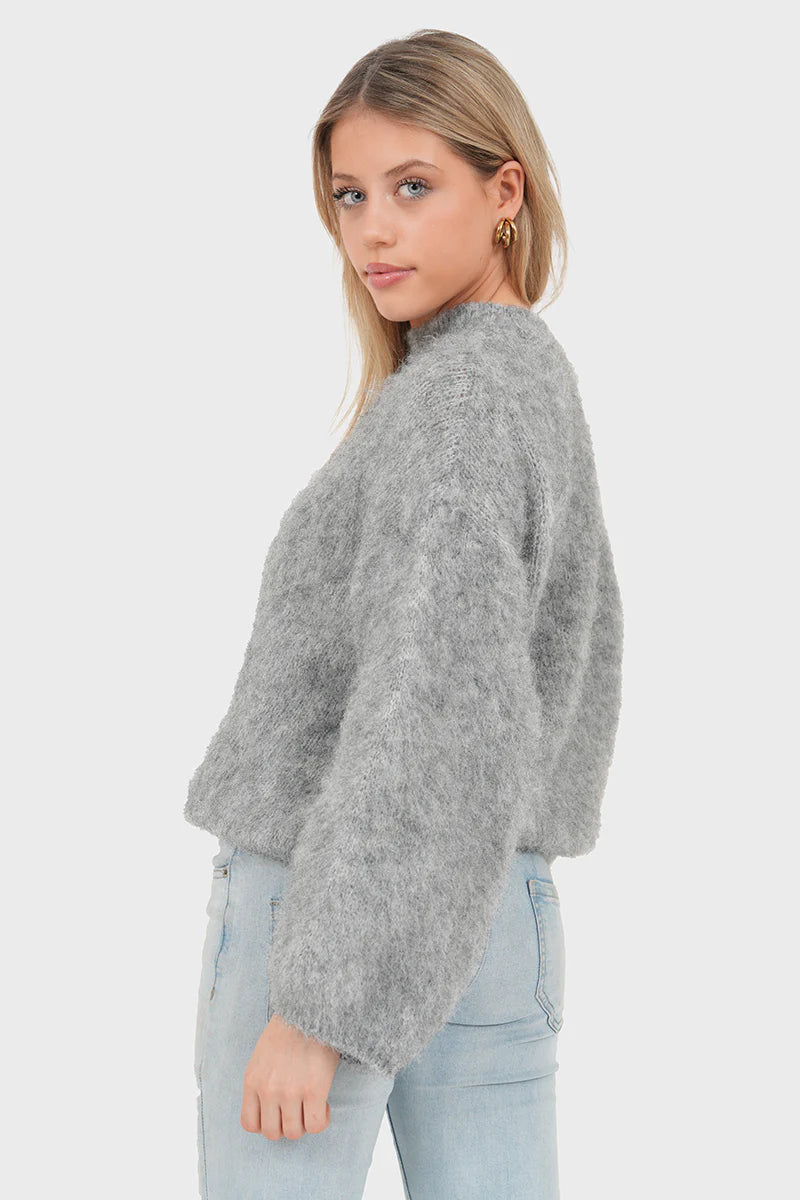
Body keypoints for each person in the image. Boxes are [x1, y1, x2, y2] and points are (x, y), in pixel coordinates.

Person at [185, 28, 624, 1200]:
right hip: (491, 908)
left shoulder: (457, 401)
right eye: (349, 195)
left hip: (336, 911)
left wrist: (319, 1006)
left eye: (413, 187)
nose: (372, 229)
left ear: (503, 192)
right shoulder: (526, 383)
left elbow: (438, 708)